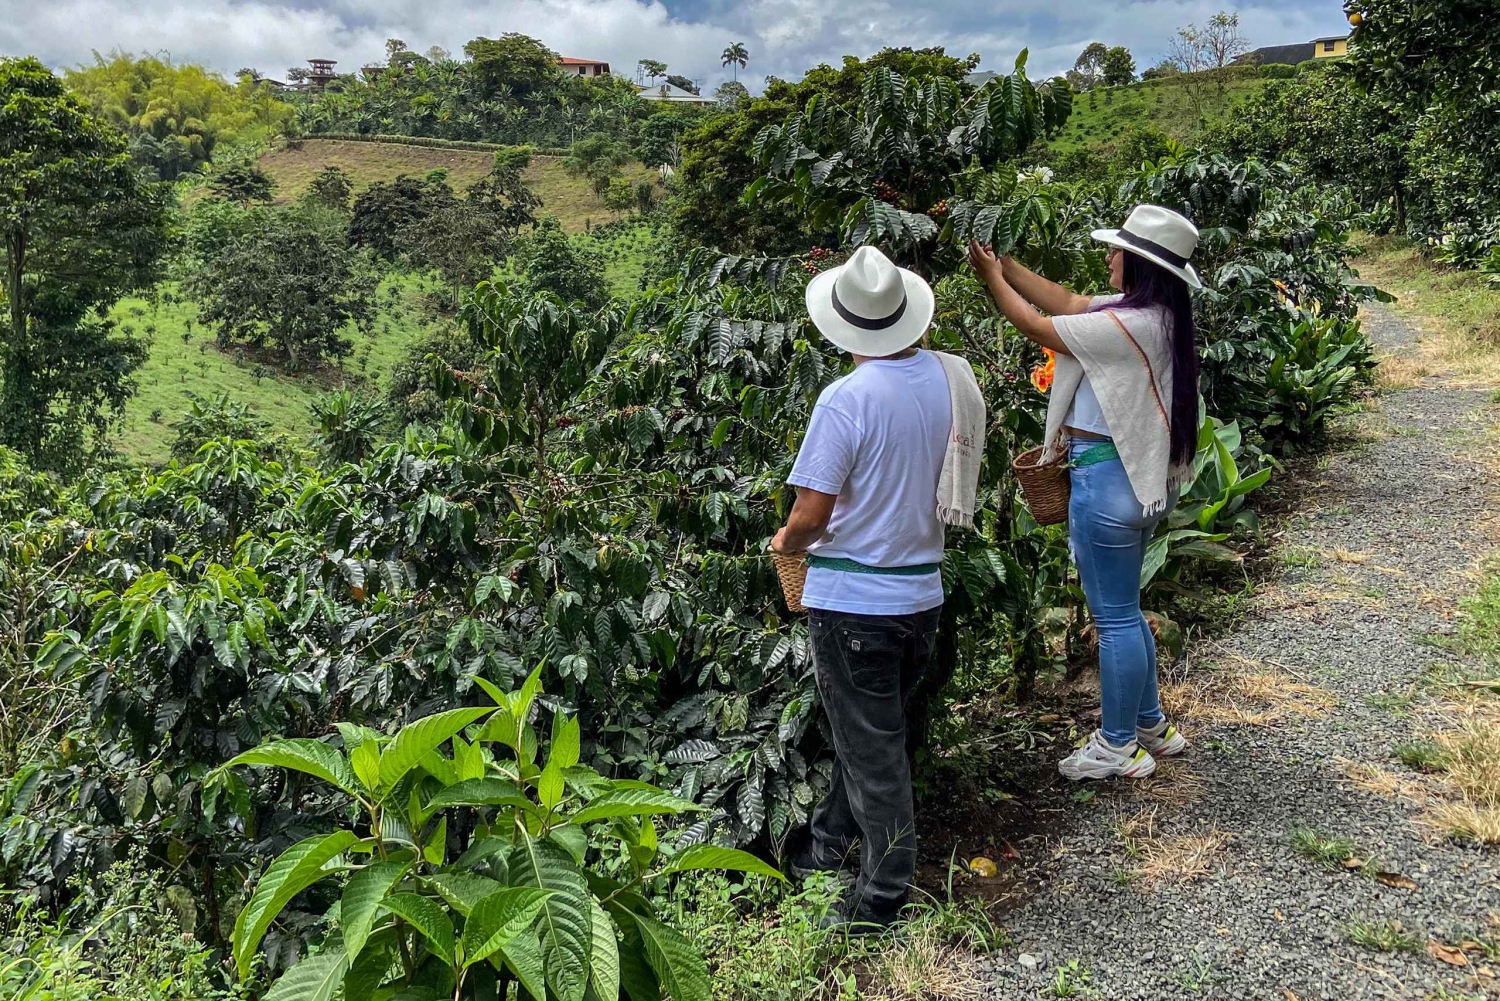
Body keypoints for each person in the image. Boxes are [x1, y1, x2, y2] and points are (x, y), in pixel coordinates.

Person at [771, 245, 984, 930]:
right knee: (868, 737)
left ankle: (879, 901)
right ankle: (824, 849)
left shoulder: (847, 398)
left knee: (875, 753)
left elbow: (811, 512)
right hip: (920, 598)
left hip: (853, 608)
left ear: (843, 327)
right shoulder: (946, 379)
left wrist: (783, 544)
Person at [967, 204, 1201, 781]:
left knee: (1115, 618)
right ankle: (1150, 724)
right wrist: (1007, 265)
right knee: (1128, 611)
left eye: (1118, 252)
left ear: (1140, 265)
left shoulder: (1129, 325)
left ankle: (1117, 744)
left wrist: (991, 281)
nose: (1109, 257)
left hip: (1106, 482)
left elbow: (1039, 327)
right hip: (1139, 485)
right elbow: (1068, 302)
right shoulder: (1153, 314)